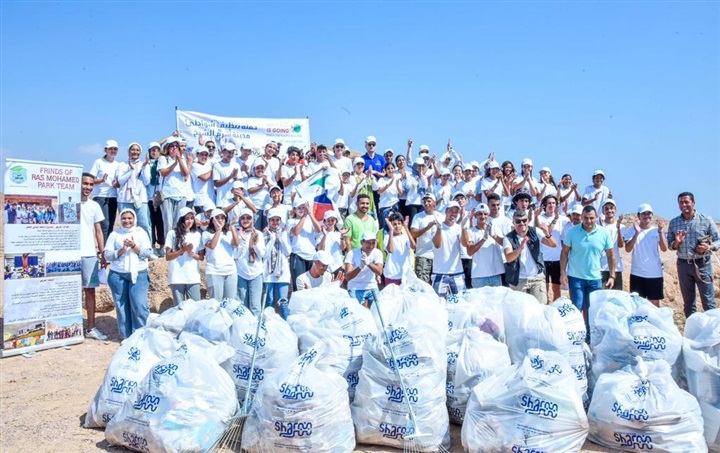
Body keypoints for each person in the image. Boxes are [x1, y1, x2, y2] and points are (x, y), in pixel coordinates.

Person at [667, 192, 719, 317]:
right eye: (681, 202)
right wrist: (676, 242)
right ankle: (692, 327)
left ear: (693, 203)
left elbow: (718, 240)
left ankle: (713, 328)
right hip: (683, 265)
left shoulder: (706, 219)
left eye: (686, 202)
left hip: (702, 264)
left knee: (708, 301)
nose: (683, 205)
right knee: (689, 303)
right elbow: (670, 245)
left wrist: (709, 247)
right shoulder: (674, 223)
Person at [561, 206, 616, 324]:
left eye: (591, 218)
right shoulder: (572, 232)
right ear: (581, 217)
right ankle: (577, 333)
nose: (588, 221)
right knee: (577, 308)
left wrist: (612, 276)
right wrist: (563, 273)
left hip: (595, 279)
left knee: (592, 311)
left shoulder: (604, 233)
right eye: (585, 218)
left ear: (596, 217)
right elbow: (564, 253)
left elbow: (611, 255)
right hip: (575, 278)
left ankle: (590, 335)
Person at [104, 209, 153, 339]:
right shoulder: (115, 234)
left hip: (139, 273)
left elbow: (148, 253)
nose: (127, 221)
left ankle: (141, 336)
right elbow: (107, 255)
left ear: (134, 219)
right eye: (124, 218)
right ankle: (126, 337)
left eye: (129, 218)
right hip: (117, 274)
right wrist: (121, 250)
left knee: (139, 305)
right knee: (122, 307)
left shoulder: (141, 233)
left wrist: (134, 246)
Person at [504, 210, 555, 303]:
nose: (522, 223)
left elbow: (553, 245)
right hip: (518, 280)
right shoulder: (508, 238)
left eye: (524, 220)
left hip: (537, 277)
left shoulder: (535, 231)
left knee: (540, 306)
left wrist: (547, 234)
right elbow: (508, 258)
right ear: (513, 223)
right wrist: (520, 248)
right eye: (518, 221)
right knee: (521, 309)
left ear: (528, 220)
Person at [80, 173, 107, 340]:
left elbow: (98, 231)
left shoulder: (94, 205)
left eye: (91, 184)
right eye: (85, 183)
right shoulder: (67, 202)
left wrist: (102, 252)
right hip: (70, 254)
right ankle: (71, 328)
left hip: (89, 253)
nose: (88, 187)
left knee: (90, 291)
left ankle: (90, 327)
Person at [625, 204, 668, 306]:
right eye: (644, 213)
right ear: (638, 215)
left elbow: (664, 248)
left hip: (654, 273)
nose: (646, 216)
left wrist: (660, 231)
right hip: (637, 273)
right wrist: (637, 233)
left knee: (654, 304)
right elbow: (628, 249)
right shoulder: (631, 230)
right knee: (637, 304)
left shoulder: (656, 231)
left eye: (649, 213)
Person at [164, 207, 204, 305]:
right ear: (181, 219)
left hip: (193, 276)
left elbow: (201, 257)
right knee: (179, 307)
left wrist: (191, 253)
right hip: (177, 276)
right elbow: (168, 256)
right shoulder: (172, 233)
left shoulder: (197, 235)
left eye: (192, 218)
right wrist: (183, 250)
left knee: (195, 306)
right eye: (187, 218)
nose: (190, 221)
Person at [462, 204, 504, 288]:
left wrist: (494, 236)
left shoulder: (495, 228)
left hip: (496, 275)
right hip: (479, 276)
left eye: (485, 214)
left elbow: (505, 243)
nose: (483, 216)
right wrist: (483, 239)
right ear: (475, 216)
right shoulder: (470, 231)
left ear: (488, 215)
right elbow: (469, 252)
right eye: (480, 214)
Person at [116, 142, 152, 241]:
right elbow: (120, 181)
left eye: (137, 150)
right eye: (133, 150)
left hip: (140, 198)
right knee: (126, 224)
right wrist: (131, 170)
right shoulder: (122, 165)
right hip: (125, 199)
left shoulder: (143, 164)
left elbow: (147, 181)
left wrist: (144, 167)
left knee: (144, 224)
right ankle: (127, 244)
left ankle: (147, 246)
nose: (135, 152)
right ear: (128, 151)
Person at [535, 195, 568, 301]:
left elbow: (574, 221)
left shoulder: (563, 218)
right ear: (544, 205)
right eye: (549, 203)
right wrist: (555, 219)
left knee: (556, 289)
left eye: (553, 203)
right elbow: (546, 232)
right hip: (543, 258)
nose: (551, 205)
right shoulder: (540, 218)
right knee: (544, 288)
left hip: (557, 258)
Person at [203, 208, 239, 301]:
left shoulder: (228, 234)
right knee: (216, 303)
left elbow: (236, 243)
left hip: (230, 271)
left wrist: (232, 228)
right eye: (217, 217)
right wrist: (218, 230)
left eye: (222, 218)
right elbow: (212, 245)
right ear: (212, 220)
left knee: (230, 303)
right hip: (214, 272)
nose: (220, 220)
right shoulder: (206, 234)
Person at [158, 138, 191, 239]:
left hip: (181, 194)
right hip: (167, 195)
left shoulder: (182, 159)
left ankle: (177, 243)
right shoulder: (163, 158)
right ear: (167, 148)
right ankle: (168, 245)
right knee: (168, 224)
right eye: (172, 146)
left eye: (176, 146)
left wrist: (179, 160)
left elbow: (185, 174)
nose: (174, 148)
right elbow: (163, 173)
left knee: (178, 223)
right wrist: (174, 164)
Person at [235, 208, 266, 315]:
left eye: (248, 218)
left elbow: (262, 254)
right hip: (241, 272)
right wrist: (243, 241)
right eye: (243, 218)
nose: (246, 220)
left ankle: (255, 325)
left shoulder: (258, 234)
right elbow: (236, 255)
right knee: (241, 305)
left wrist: (255, 244)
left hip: (256, 273)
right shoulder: (236, 234)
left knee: (255, 306)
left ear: (252, 220)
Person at [431, 201, 465, 297]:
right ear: (446, 211)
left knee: (461, 302)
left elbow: (465, 244)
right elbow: (437, 245)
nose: (453, 214)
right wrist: (439, 227)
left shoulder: (459, 228)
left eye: (456, 212)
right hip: (439, 272)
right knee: (439, 301)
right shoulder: (435, 227)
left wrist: (464, 228)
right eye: (451, 211)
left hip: (457, 272)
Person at [90, 139, 121, 243]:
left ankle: (107, 246)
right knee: (104, 224)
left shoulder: (118, 164)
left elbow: (120, 182)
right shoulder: (98, 162)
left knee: (111, 223)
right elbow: (91, 179)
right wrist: (101, 180)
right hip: (100, 196)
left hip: (113, 197)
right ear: (105, 150)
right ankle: (102, 248)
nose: (113, 151)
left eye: (115, 149)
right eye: (110, 149)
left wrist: (117, 184)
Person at [263, 208, 292, 318]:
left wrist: (280, 238)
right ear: (268, 221)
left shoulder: (284, 234)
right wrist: (272, 239)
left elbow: (288, 251)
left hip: (282, 272)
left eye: (277, 220)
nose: (275, 222)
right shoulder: (264, 234)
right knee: (269, 300)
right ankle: (268, 322)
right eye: (272, 220)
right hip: (268, 273)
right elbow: (264, 254)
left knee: (283, 301)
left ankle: (287, 323)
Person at [288, 201, 322, 290]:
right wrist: (304, 217)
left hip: (311, 256)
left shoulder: (310, 221)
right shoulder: (291, 221)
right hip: (298, 255)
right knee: (299, 285)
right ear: (294, 210)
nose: (302, 210)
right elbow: (296, 232)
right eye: (299, 208)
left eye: (304, 208)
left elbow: (319, 229)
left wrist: (310, 214)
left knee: (312, 286)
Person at [345, 231, 384, 308]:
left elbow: (379, 272)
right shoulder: (351, 254)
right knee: (356, 312)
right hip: (355, 286)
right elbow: (348, 277)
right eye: (368, 243)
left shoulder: (377, 253)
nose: (371, 246)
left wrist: (368, 263)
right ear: (361, 242)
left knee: (379, 309)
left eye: (373, 243)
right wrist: (360, 267)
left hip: (371, 286)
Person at [411, 192, 443, 284]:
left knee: (438, 286)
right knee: (422, 285)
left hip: (438, 256)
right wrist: (427, 228)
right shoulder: (418, 216)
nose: (426, 203)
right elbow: (413, 234)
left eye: (429, 201)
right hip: (423, 256)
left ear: (434, 203)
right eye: (424, 201)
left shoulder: (441, 216)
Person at [383, 211, 416, 286]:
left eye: (399, 223)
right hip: (391, 274)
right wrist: (391, 231)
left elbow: (413, 246)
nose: (397, 226)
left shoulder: (405, 237)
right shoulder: (387, 237)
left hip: (405, 274)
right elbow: (390, 250)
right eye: (394, 224)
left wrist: (406, 228)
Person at [599, 199, 626, 290]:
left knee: (616, 296)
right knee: (601, 295)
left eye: (611, 208)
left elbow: (621, 245)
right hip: (601, 267)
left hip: (616, 268)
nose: (609, 211)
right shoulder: (598, 226)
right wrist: (602, 229)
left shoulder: (622, 227)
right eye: (606, 209)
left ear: (615, 210)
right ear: (603, 211)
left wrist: (618, 228)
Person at [146, 141, 165, 256]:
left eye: (158, 150)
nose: (155, 152)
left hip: (160, 197)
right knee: (151, 223)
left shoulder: (162, 162)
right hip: (149, 197)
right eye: (153, 150)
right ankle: (152, 245)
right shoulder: (147, 163)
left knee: (161, 223)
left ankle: (162, 245)